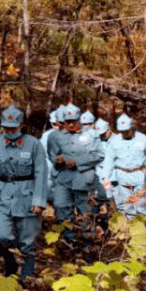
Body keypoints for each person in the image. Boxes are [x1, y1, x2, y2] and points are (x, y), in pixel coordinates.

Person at [0, 106, 47, 284]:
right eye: (6, 128)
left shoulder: (34, 144)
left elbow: (41, 173)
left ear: (21, 125)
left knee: (27, 242)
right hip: (2, 195)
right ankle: (11, 263)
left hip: (26, 196)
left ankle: (25, 277)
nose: (10, 131)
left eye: (13, 127)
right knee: (0, 234)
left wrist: (39, 200)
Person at [47, 103, 105, 248]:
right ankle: (68, 241)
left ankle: (87, 243)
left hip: (84, 179)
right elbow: (52, 155)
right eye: (68, 122)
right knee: (61, 207)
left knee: (86, 211)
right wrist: (58, 160)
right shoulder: (55, 136)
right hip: (63, 178)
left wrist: (77, 162)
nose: (72, 125)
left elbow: (99, 155)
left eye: (74, 122)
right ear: (63, 122)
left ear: (79, 119)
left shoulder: (91, 135)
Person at [102, 114, 146, 218]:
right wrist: (106, 177)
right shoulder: (114, 141)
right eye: (122, 131)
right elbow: (109, 160)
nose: (124, 133)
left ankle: (142, 231)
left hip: (140, 175)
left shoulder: (144, 139)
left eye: (126, 130)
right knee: (128, 206)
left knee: (141, 205)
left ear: (132, 127)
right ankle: (131, 230)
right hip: (123, 176)